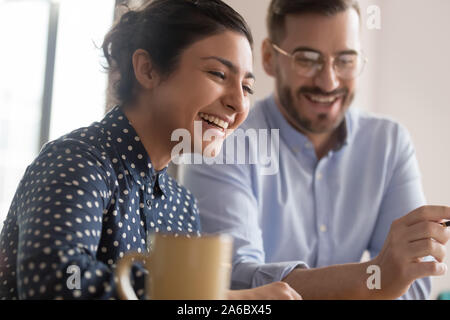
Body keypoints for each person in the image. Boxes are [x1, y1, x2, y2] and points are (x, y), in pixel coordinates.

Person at [0, 0, 301, 300]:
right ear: (148, 70)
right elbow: (59, 282)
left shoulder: (182, 205)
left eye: (247, 87)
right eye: (218, 74)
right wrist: (224, 298)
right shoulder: (79, 161)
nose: (238, 102)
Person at [182, 0, 450, 299]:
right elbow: (236, 282)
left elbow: (414, 286)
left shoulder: (389, 143)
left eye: (345, 60)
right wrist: (377, 277)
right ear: (270, 58)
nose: (328, 81)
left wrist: (387, 276)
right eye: (307, 59)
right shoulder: (221, 140)